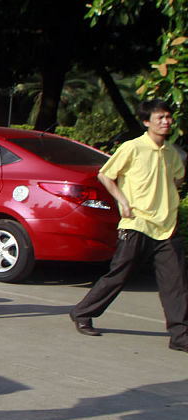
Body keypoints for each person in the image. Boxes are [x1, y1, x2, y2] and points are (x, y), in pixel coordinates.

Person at [70, 99, 188, 353]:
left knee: (176, 282)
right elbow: (105, 175)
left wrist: (165, 198)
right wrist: (123, 202)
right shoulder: (132, 148)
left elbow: (177, 179)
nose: (166, 122)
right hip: (137, 223)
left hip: (167, 226)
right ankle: (82, 312)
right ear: (146, 122)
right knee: (120, 274)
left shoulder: (171, 153)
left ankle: (180, 336)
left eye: (168, 117)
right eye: (160, 118)